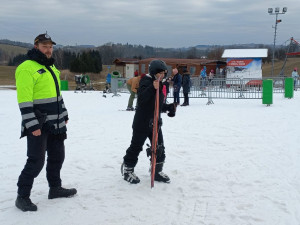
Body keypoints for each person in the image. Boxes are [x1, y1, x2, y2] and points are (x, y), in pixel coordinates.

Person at [15, 33, 77, 212]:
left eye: (50, 46)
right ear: (36, 46)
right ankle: (22, 196)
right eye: (44, 46)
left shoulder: (51, 67)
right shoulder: (27, 68)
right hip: (39, 123)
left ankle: (55, 188)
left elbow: (57, 95)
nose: (48, 50)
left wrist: (64, 113)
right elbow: (24, 100)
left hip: (56, 122)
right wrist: (32, 125)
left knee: (58, 156)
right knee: (36, 161)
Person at [121, 59, 177, 184]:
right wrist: (152, 87)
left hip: (155, 123)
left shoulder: (160, 84)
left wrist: (169, 107)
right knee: (136, 147)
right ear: (153, 72)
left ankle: (156, 171)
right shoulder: (146, 81)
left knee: (159, 147)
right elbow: (142, 100)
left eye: (163, 73)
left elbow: (157, 104)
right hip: (142, 122)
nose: (162, 76)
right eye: (159, 73)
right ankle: (127, 170)